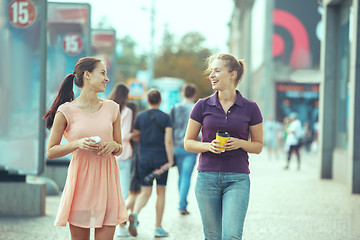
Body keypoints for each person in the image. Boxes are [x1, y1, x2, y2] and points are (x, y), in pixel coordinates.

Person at [43, 57, 127, 240]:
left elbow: (119, 147)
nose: (107, 79)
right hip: (80, 184)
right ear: (87, 75)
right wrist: (77, 144)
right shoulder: (66, 111)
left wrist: (114, 146)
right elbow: (51, 151)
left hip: (107, 184)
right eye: (102, 73)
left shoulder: (112, 108)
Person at [184, 53, 263, 240]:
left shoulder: (251, 108)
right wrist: (208, 146)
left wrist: (240, 143)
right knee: (212, 236)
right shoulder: (202, 105)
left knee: (232, 236)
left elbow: (258, 146)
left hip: (237, 179)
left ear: (232, 74)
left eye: (217, 71)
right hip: (207, 178)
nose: (211, 75)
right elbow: (188, 142)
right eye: (211, 71)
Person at [128, 89, 174, 238]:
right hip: (161, 160)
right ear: (160, 101)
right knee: (161, 192)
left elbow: (136, 136)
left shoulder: (141, 117)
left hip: (144, 159)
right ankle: (157, 227)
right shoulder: (166, 117)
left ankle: (134, 213)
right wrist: (170, 160)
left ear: (147, 101)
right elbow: (168, 140)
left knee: (145, 192)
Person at [108, 83, 133, 237]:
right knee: (124, 191)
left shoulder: (107, 108)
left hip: (110, 154)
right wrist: (134, 135)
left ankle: (111, 222)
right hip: (123, 153)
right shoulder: (127, 111)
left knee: (111, 191)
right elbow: (123, 135)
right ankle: (121, 225)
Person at [170, 83, 198, 215]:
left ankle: (182, 203)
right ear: (194, 94)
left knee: (181, 176)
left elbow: (170, 128)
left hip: (176, 146)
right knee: (186, 176)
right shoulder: (196, 108)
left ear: (183, 93)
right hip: (191, 147)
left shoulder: (175, 108)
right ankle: (182, 205)